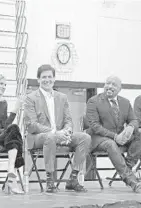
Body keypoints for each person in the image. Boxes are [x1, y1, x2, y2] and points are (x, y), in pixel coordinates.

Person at [24, 64, 91, 193]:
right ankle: (50, 180)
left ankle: (73, 178)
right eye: (44, 77)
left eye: (50, 77)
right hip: (38, 137)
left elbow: (68, 120)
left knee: (85, 137)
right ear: (38, 80)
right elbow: (32, 125)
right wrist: (55, 133)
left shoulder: (62, 97)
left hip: (60, 134)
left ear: (54, 79)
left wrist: (67, 131)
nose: (47, 80)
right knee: (50, 137)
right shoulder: (30, 98)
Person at [86, 76, 141, 192]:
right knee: (110, 143)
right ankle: (129, 179)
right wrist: (115, 137)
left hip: (119, 137)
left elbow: (134, 120)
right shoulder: (93, 101)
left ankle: (127, 167)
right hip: (98, 139)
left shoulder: (125, 102)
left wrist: (130, 127)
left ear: (120, 88)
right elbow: (95, 126)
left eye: (114, 85)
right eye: (108, 83)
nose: (109, 86)